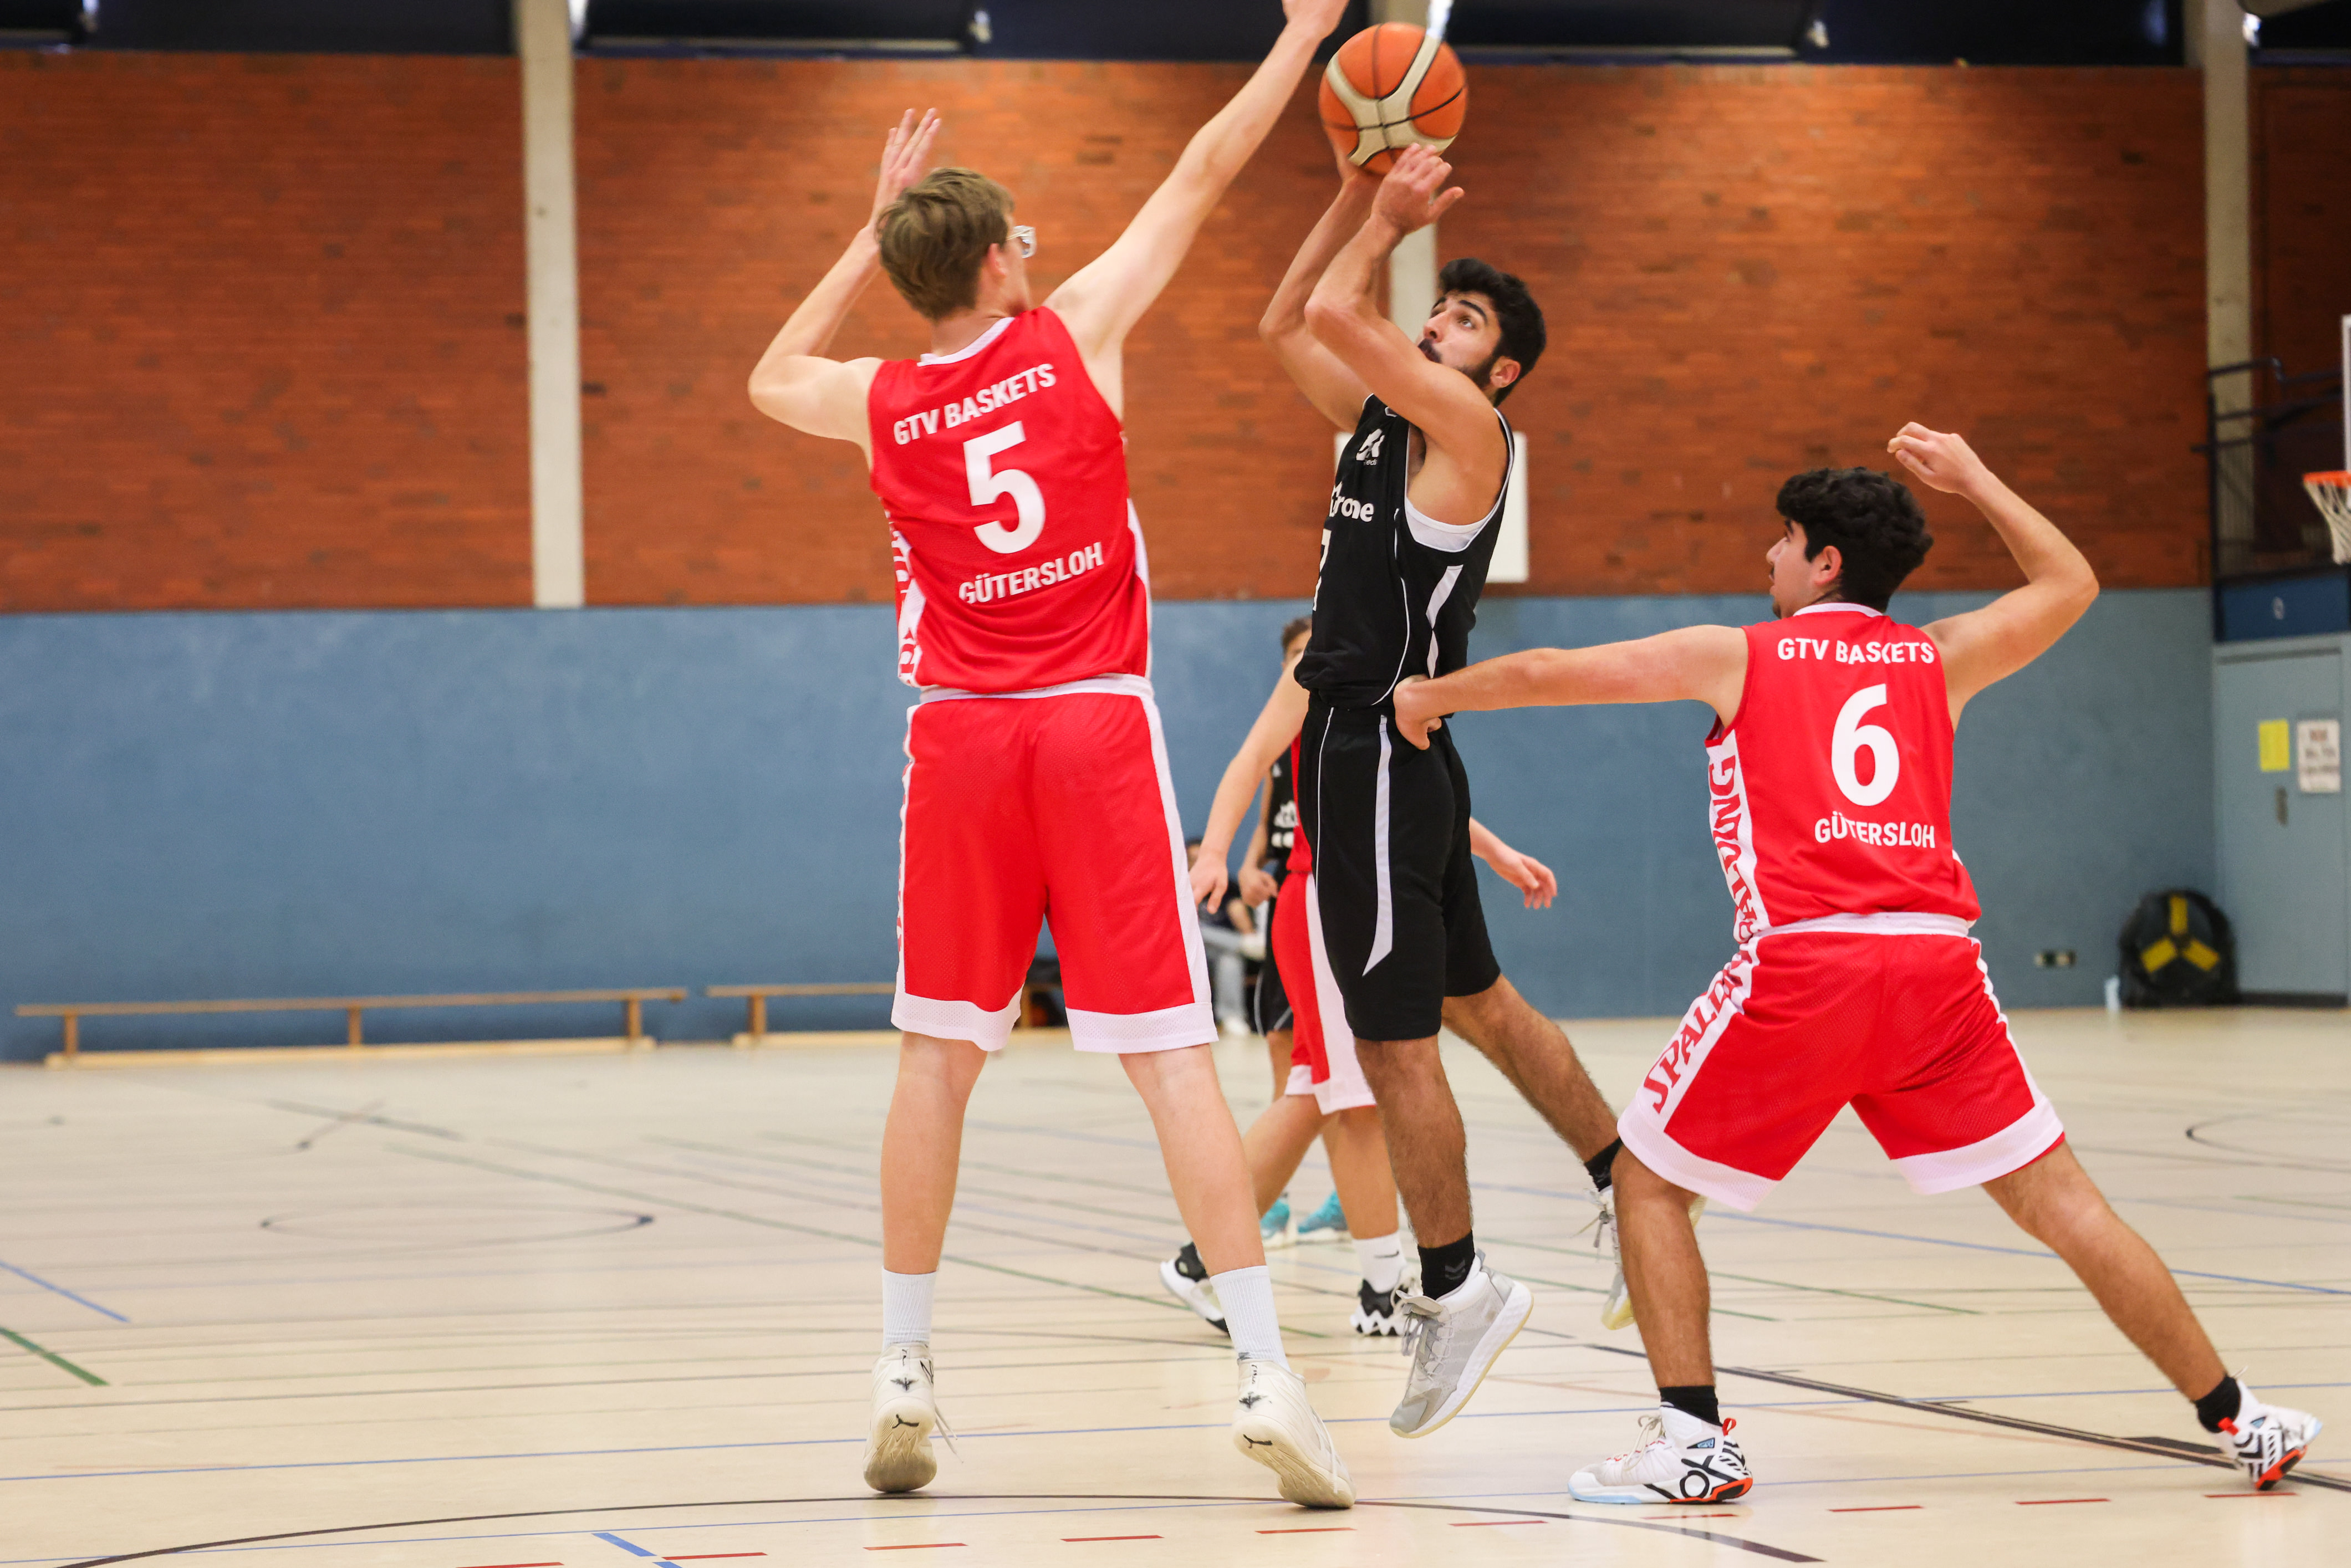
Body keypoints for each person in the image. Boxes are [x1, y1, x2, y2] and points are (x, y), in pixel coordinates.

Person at [1392, 427, 2326, 1503]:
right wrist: (1976, 477)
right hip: (1937, 972)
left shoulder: (1740, 653)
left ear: (1823, 560)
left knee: (1644, 1181)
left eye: (1783, 539)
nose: (1768, 556)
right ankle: (2240, 1415)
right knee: (2063, 1203)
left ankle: (1692, 1439)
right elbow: (2070, 581)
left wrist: (1427, 698)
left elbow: (1554, 673)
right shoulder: (1940, 656)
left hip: (1806, 964)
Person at [744, 0, 1355, 1509]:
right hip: (1090, 721)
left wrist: (868, 230)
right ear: (1000, 264)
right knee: (1169, 1059)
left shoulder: (879, 398)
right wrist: (1298, 42)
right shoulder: (1075, 329)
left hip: (957, 738)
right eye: (1015, 238)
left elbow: (768, 373)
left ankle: (901, 1366)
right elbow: (1204, 169)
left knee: (935, 1058)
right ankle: (1266, 1369)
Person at [1259, 141, 1633, 1439]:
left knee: (1390, 1046)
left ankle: (1456, 1286)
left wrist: (1380, 216)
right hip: (1381, 757)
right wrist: (1345, 196)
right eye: (1439, 307)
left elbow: (1331, 308)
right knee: (1483, 1004)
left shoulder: (1470, 431)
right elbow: (1286, 319)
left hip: (1372, 749)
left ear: (1501, 370)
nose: (1434, 323)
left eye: (1463, 320)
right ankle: (1626, 1183)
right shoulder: (1382, 422)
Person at [1167, 618, 1569, 1339]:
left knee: (1314, 1096)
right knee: (1354, 1101)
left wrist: (1495, 852)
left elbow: (1420, 795)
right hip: (1320, 897)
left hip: (1345, 898)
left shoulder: (1394, 678)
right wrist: (1216, 854)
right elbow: (1248, 760)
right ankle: (1381, 1288)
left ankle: (1202, 1257)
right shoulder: (1321, 679)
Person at [1185, 838, 1264, 1035]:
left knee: (1230, 959)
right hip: (1189, 952)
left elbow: (1239, 909)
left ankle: (1231, 1016)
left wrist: (1243, 922)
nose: (1196, 864)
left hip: (1218, 951)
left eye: (1200, 859)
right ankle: (1246, 945)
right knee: (1195, 929)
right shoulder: (1179, 888)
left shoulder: (1227, 886)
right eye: (1192, 859)